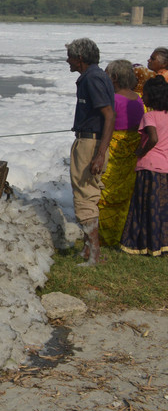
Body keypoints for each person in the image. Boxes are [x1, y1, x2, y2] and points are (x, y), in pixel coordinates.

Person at [65, 38, 115, 266]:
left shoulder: (93, 78)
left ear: (80, 58)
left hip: (90, 143)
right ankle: (88, 250)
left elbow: (108, 114)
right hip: (87, 140)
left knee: (85, 195)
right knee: (84, 192)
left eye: (71, 57)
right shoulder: (93, 76)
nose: (68, 61)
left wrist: (99, 153)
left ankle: (94, 255)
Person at [97, 60, 145, 248]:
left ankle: (103, 236)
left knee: (105, 193)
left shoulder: (112, 100)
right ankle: (121, 234)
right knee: (125, 195)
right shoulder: (139, 99)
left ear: (114, 78)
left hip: (114, 150)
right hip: (132, 151)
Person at [120, 75, 168, 256]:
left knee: (144, 206)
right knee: (161, 207)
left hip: (149, 166)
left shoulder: (149, 116)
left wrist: (141, 151)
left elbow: (153, 138)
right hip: (164, 167)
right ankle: (161, 244)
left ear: (152, 97)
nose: (142, 98)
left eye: (145, 95)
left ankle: (143, 244)